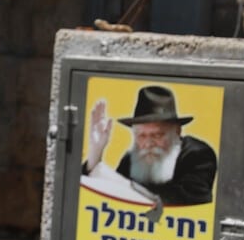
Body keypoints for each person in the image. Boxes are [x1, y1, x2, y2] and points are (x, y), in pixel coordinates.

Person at [83, 84, 218, 206]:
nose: (148, 143)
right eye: (142, 136)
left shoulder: (198, 155)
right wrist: (95, 155)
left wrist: (124, 185)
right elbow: (104, 198)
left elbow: (187, 201)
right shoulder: (131, 159)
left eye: (157, 135)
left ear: (177, 131)